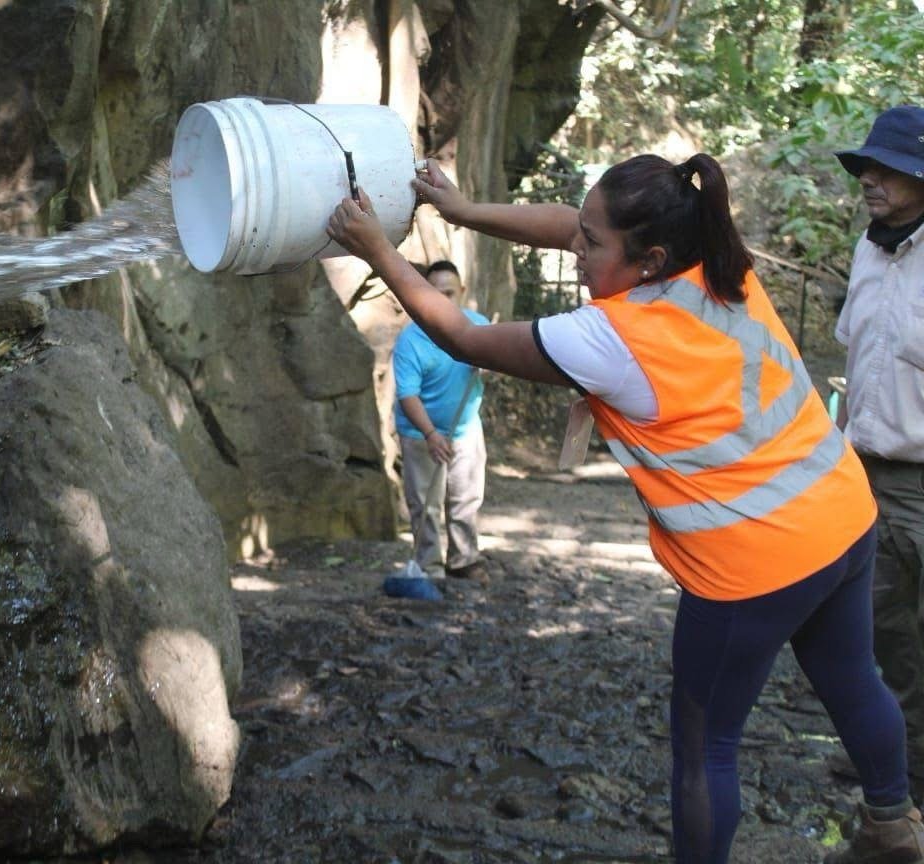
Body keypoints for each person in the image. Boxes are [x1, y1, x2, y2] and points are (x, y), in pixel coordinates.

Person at [325, 153, 923, 864]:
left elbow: (462, 336)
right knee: (853, 676)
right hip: (843, 513)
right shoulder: (720, 267)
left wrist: (378, 250)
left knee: (706, 750)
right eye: (581, 231)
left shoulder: (609, 340)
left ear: (650, 258)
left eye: (593, 244)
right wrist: (464, 211)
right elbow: (575, 228)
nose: (576, 251)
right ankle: (894, 827)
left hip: (753, 562)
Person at [833, 105, 924, 814]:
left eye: (885, 168)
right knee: (879, 629)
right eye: (866, 165)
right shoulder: (868, 250)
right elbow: (854, 357)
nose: (869, 178)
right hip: (866, 474)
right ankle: (894, 766)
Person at [389, 260, 490, 599]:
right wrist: (431, 434)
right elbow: (407, 395)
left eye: (449, 292)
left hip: (465, 429)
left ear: (461, 292)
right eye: (435, 293)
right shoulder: (412, 341)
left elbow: (503, 366)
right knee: (425, 502)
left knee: (465, 497)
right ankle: (429, 565)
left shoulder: (479, 328)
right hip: (420, 433)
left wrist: (490, 365)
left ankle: (463, 559)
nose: (443, 299)